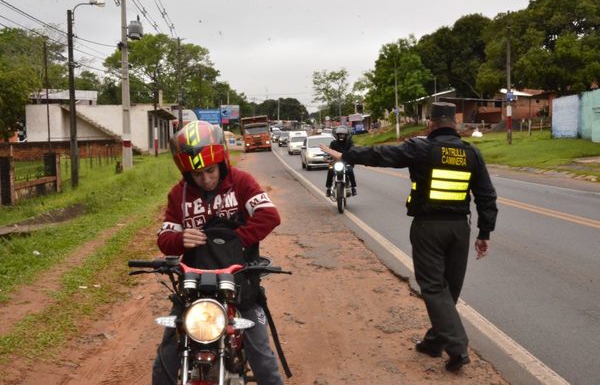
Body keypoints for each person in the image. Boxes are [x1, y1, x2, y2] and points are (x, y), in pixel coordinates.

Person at [320, 102, 498, 372]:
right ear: (455, 123)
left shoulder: (422, 147)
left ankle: (457, 347)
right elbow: (486, 196)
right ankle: (434, 342)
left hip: (429, 228)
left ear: (431, 123)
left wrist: (346, 156)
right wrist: (485, 232)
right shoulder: (471, 153)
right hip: (460, 229)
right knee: (449, 289)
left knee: (435, 288)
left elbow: (380, 155)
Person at [154, 120, 284, 385]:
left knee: (263, 359)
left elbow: (269, 215)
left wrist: (235, 241)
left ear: (222, 160)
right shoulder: (178, 195)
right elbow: (164, 238)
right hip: (193, 286)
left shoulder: (241, 182)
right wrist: (180, 239)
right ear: (186, 172)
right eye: (196, 174)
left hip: (240, 280)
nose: (205, 178)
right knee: (166, 360)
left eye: (210, 170)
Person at [325, 125, 357, 197]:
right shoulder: (333, 143)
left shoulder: (350, 142)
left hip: (347, 162)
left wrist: (353, 155)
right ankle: (328, 188)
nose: (341, 136)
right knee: (330, 170)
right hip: (336, 162)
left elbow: (353, 150)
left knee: (350, 170)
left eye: (343, 134)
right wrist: (327, 157)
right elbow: (330, 151)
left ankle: (353, 188)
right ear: (337, 135)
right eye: (340, 134)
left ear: (346, 135)